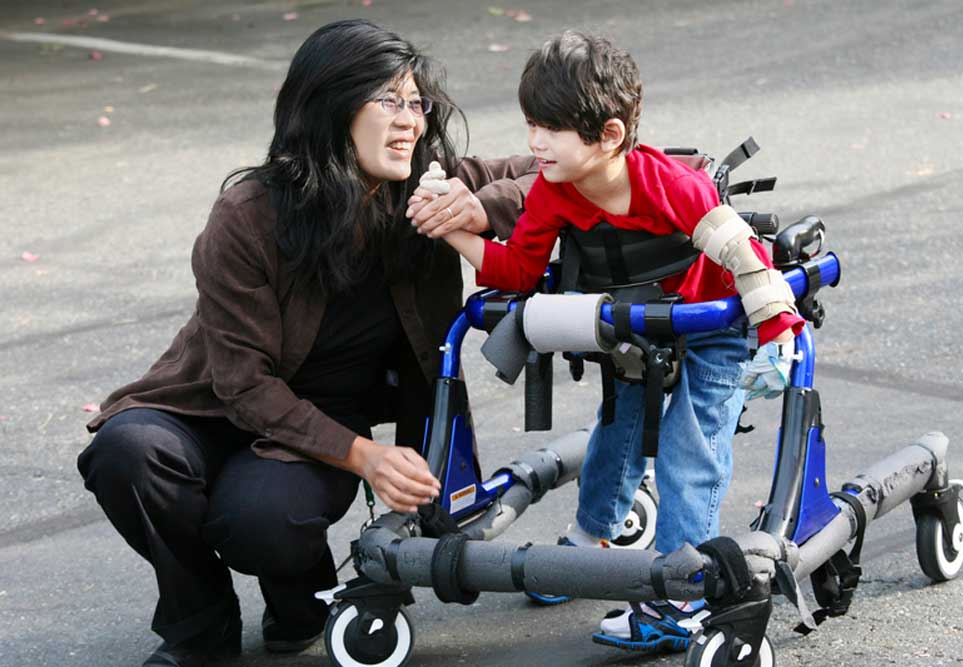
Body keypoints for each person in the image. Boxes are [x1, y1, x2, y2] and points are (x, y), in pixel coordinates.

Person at [77, 19, 535, 667]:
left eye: (415, 102)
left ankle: (301, 601)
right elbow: (242, 383)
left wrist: (480, 207)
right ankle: (197, 627)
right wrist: (367, 457)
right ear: (330, 106)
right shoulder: (248, 215)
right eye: (389, 101)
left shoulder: (430, 187)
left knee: (262, 522)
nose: (409, 120)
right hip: (208, 403)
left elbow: (557, 174)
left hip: (321, 416)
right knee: (125, 452)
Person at [425, 30, 805, 653]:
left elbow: (743, 252)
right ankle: (591, 541)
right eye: (530, 125)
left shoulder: (666, 183)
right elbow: (519, 270)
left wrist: (777, 335)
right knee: (618, 423)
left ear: (608, 135)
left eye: (549, 129)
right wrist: (454, 235)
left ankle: (683, 592)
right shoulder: (554, 191)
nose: (533, 144)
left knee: (690, 443)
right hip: (640, 322)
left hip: (715, 325)